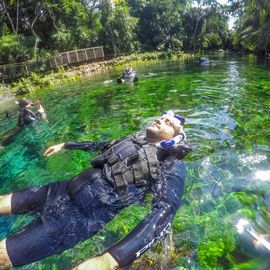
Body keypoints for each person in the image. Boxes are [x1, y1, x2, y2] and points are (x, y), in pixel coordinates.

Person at [0, 110, 191, 270]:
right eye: (162, 117)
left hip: (77, 220)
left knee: (2, 255)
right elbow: (100, 146)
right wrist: (67, 145)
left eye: (168, 123)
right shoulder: (136, 139)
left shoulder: (171, 164)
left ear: (174, 139)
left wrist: (109, 260)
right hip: (61, 190)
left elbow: (165, 210)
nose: (160, 119)